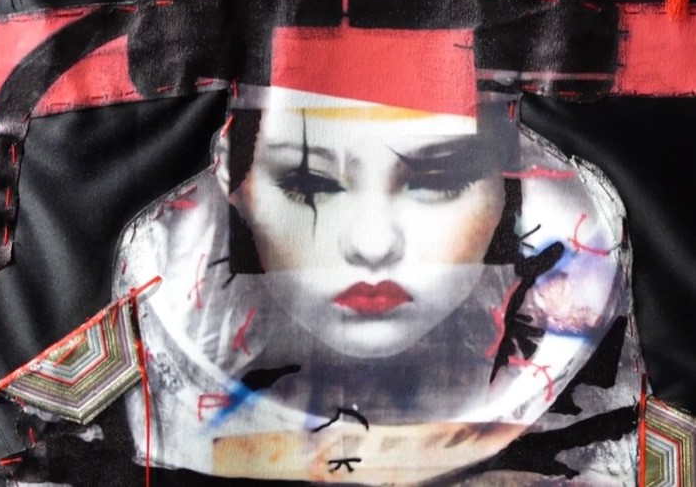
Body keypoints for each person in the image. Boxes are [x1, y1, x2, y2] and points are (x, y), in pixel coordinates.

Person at [114, 76, 636, 484]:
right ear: (235, 185)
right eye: (309, 184)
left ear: (508, 187)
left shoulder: (602, 412)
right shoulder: (139, 414)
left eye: (437, 180)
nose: (371, 243)